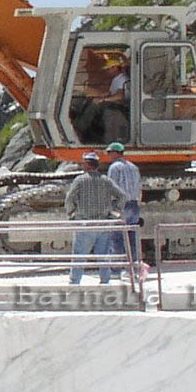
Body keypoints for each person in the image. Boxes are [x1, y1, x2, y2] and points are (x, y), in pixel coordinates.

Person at [64, 151, 127, 284]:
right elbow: (122, 196)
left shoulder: (80, 180)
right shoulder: (106, 181)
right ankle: (105, 281)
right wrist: (113, 213)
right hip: (103, 224)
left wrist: (72, 215)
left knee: (79, 256)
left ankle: (75, 282)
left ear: (87, 165)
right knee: (103, 255)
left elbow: (69, 199)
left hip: (85, 224)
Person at [104, 141, 148, 281]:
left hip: (120, 205)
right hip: (134, 204)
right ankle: (132, 268)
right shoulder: (134, 167)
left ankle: (117, 269)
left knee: (116, 237)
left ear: (116, 153)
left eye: (110, 153)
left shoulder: (114, 167)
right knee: (132, 237)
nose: (109, 156)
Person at [99, 61, 130, 142]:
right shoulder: (115, 79)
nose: (107, 71)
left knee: (96, 108)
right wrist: (101, 95)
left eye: (108, 69)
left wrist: (104, 100)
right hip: (114, 103)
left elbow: (119, 96)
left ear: (115, 68)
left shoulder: (123, 79)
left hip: (121, 106)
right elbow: (111, 93)